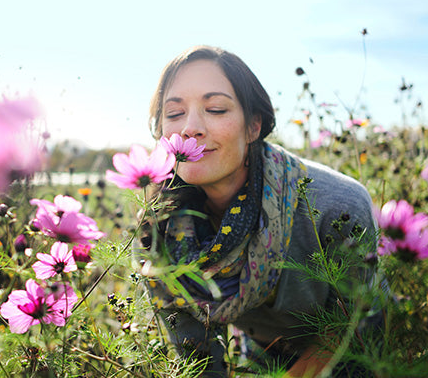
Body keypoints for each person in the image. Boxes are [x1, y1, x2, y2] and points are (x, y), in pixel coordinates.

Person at [138, 45, 380, 377]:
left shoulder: (336, 207)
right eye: (175, 113)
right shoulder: (159, 227)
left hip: (364, 351)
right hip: (260, 353)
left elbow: (345, 324)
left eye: (216, 109)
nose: (189, 128)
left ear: (254, 126)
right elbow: (197, 357)